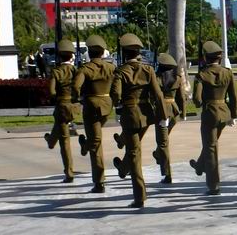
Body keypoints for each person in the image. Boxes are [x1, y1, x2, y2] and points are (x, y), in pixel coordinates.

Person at [111, 33, 168, 208]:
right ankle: (122, 168)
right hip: (146, 114)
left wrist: (117, 107)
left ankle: (139, 196)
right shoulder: (148, 70)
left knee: (135, 154)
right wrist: (163, 117)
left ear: (125, 53)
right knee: (134, 150)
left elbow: (116, 95)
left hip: (130, 114)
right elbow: (158, 95)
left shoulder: (121, 71)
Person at [190, 41, 237, 195]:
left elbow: (197, 100)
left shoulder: (202, 74)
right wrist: (233, 115)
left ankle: (213, 185)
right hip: (224, 113)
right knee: (212, 144)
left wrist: (200, 101)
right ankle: (199, 165)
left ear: (205, 57)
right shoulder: (227, 72)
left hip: (210, 113)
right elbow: (233, 96)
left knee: (211, 147)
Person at [73, 35, 116, 193]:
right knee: (96, 139)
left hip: (91, 106)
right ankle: (87, 145)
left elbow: (76, 87)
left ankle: (99, 182)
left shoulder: (85, 69)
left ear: (90, 53)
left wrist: (78, 98)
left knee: (95, 142)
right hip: (106, 106)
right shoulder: (111, 67)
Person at [43, 39, 79, 183]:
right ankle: (51, 140)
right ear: (71, 56)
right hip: (74, 107)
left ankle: (69, 172)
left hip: (62, 105)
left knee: (65, 141)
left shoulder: (57, 72)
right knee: (61, 123)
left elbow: (51, 91)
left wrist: (58, 97)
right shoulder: (76, 71)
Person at [151, 52, 187, 184]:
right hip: (174, 111)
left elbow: (153, 96)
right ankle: (157, 154)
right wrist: (183, 114)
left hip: (162, 112)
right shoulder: (177, 78)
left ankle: (167, 174)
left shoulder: (157, 78)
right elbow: (181, 97)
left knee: (163, 143)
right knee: (163, 142)